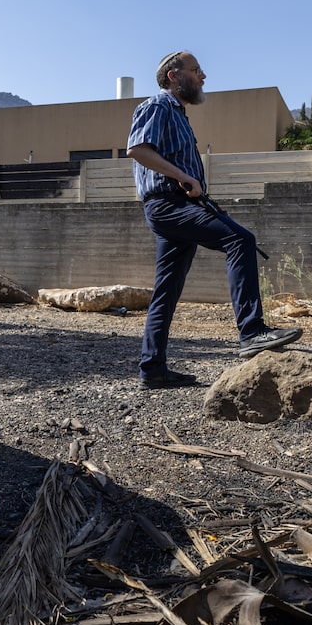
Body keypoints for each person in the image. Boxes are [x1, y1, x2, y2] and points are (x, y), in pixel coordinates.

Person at [127, 50, 301, 388]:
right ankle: (252, 332)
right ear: (174, 76)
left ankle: (153, 369)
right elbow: (138, 150)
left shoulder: (178, 114)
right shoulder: (157, 106)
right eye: (196, 70)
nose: (203, 76)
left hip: (179, 205)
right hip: (168, 205)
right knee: (241, 240)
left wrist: (199, 192)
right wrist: (182, 177)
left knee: (166, 291)